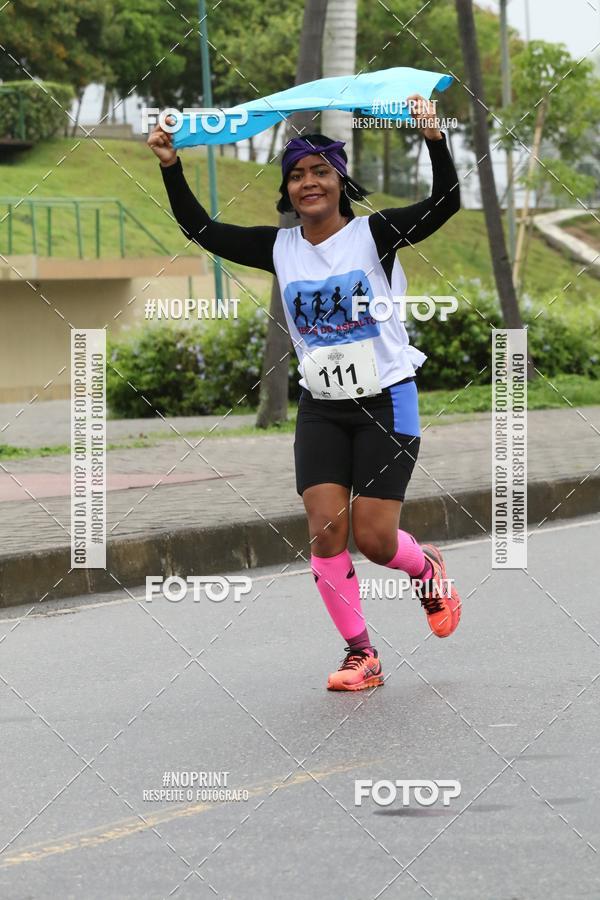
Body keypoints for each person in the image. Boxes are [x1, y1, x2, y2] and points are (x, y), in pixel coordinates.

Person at [148, 95, 462, 692]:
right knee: (325, 530)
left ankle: (427, 568)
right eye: (296, 175)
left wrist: (434, 139)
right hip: (321, 406)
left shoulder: (376, 234)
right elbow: (202, 229)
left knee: (373, 539)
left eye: (320, 171)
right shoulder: (279, 249)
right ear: (288, 191)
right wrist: (170, 165)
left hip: (386, 401)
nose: (308, 183)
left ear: (340, 181)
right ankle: (360, 654)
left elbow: (446, 203)